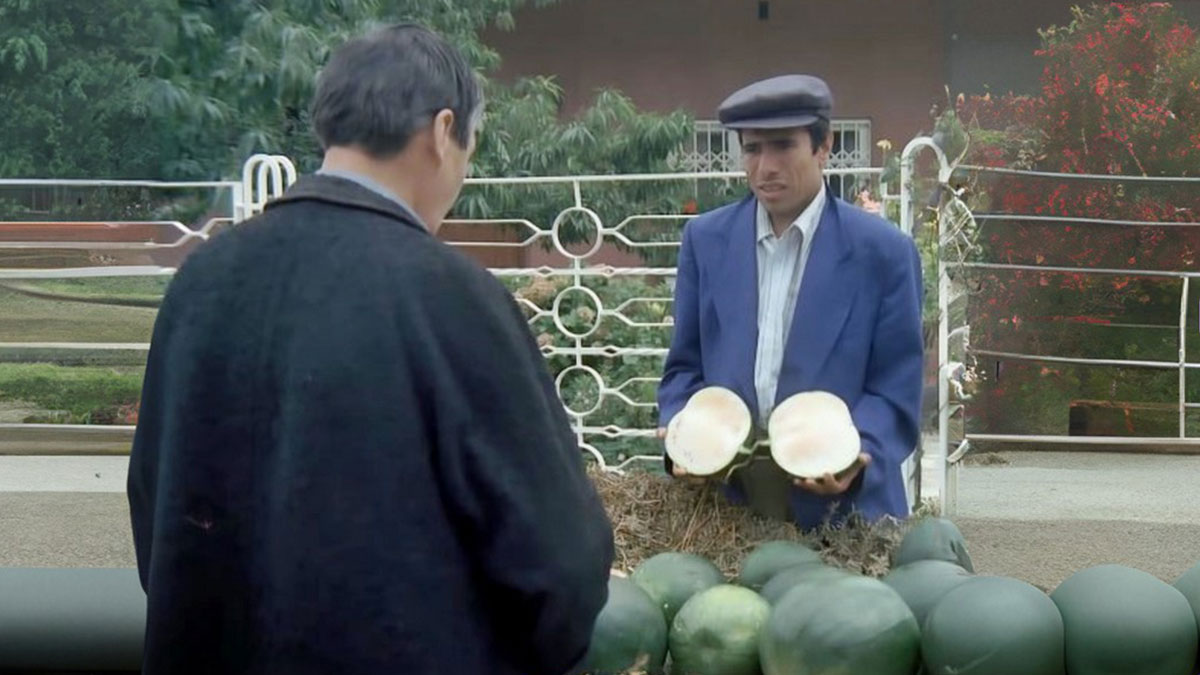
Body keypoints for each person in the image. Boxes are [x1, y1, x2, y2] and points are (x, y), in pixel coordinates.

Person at [126, 23, 614, 675]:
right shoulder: (453, 298)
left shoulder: (200, 282)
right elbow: (561, 563)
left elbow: (153, 510)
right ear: (444, 132)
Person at [656, 74, 925, 530]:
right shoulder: (705, 240)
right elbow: (685, 368)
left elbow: (895, 388)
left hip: (845, 516)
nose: (765, 167)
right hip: (730, 507)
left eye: (783, 146)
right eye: (753, 149)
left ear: (824, 147)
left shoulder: (884, 252)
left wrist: (860, 452)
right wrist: (682, 434)